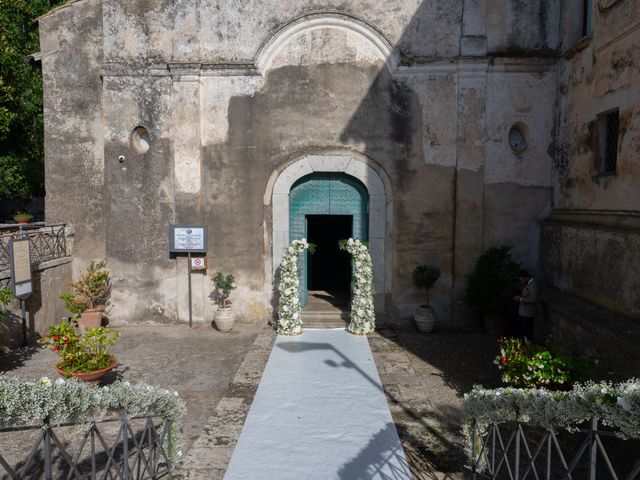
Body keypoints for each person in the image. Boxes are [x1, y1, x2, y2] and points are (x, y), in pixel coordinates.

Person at [513, 270, 537, 340]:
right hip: (523, 312)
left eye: (522, 280)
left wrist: (521, 299)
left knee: (527, 333)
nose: (521, 282)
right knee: (523, 332)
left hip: (528, 313)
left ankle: (529, 347)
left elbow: (534, 299)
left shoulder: (533, 285)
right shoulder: (527, 284)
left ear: (527, 278)